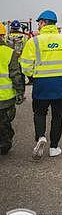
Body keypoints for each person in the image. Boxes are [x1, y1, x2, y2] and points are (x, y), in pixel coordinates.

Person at [20, 10, 62, 159]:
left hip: (41, 85)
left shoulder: (33, 41)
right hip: (60, 84)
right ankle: (54, 147)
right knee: (58, 116)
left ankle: (41, 136)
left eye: (39, 23)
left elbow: (26, 65)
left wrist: (33, 78)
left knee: (39, 113)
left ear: (43, 23)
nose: (38, 26)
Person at [0, 23, 25, 155]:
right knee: (5, 122)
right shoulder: (10, 53)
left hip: (5, 97)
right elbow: (16, 75)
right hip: (6, 98)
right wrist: (20, 92)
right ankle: (5, 144)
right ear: (3, 35)